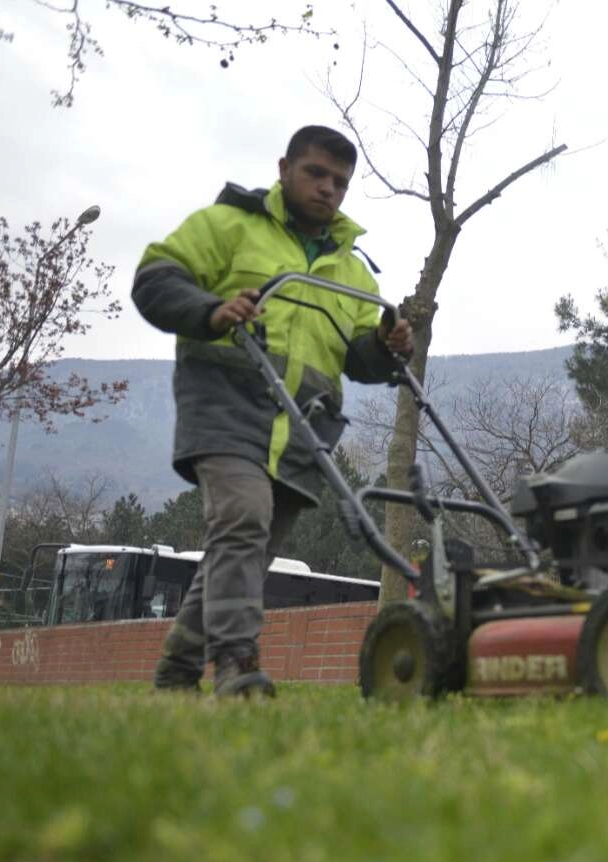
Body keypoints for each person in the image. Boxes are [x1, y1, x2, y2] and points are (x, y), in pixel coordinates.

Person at [133, 125, 413, 697]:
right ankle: (237, 662)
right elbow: (155, 279)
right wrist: (211, 311)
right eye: (315, 173)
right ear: (284, 169)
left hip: (303, 426)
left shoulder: (352, 270)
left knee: (248, 549)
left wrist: (386, 346)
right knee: (242, 521)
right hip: (227, 402)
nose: (327, 188)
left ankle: (177, 671)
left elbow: (359, 357)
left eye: (340, 181)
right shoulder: (228, 226)